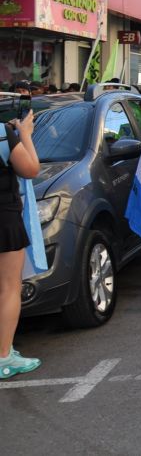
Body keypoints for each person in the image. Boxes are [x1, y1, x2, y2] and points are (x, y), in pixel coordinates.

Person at [0, 111, 41, 378]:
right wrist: (24, 134)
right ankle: (4, 355)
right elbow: (31, 169)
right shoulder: (4, 133)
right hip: (3, 217)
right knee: (8, 287)